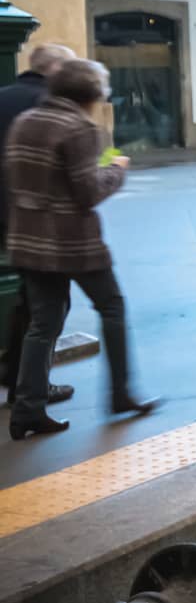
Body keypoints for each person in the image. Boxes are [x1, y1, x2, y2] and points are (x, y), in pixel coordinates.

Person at [6, 59, 157, 440]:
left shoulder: (25, 122)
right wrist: (117, 169)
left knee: (42, 324)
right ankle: (121, 394)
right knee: (111, 307)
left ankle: (27, 410)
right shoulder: (79, 128)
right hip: (72, 240)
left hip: (28, 238)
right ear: (90, 95)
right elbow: (88, 192)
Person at [0, 44, 76, 407]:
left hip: (7, 218)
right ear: (57, 69)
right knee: (49, 307)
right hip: (38, 220)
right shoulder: (50, 107)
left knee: (29, 301)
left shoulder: (4, 97)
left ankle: (16, 375)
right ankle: (29, 390)